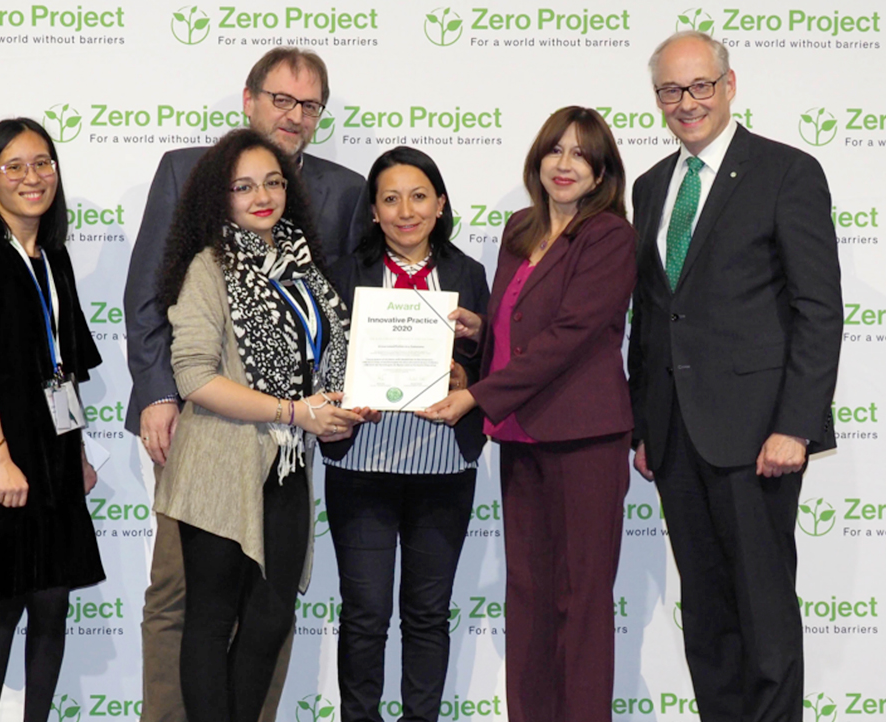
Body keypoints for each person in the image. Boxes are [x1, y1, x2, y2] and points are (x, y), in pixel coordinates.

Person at [123, 46, 368, 722]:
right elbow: (148, 295)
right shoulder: (185, 172)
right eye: (281, 99)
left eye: (308, 104)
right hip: (199, 430)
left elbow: (340, 318)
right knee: (183, 597)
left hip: (287, 449)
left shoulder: (343, 191)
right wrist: (157, 395)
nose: (293, 115)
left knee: (271, 604)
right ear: (249, 98)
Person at [628, 32, 842, 722]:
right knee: (708, 616)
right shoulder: (650, 184)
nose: (685, 103)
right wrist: (643, 425)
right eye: (670, 90)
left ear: (728, 85)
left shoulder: (786, 171)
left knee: (764, 612)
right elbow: (654, 314)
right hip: (673, 434)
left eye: (698, 86)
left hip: (758, 436)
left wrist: (794, 425)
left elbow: (817, 309)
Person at [424, 106, 636, 722]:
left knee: (583, 601)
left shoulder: (609, 237)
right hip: (521, 436)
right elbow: (523, 324)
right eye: (555, 151)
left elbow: (572, 335)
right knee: (530, 596)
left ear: (601, 174)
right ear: (537, 160)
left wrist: (476, 395)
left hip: (584, 439)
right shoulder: (521, 228)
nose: (565, 164)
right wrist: (480, 328)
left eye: (581, 155)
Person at [0, 118, 105, 722]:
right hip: (1, 451)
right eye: (15, 167)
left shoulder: (52, 254)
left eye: (43, 163)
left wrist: (79, 451)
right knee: (4, 600)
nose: (33, 178)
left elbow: (68, 365)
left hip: (55, 447)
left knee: (54, 597)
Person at [320, 146, 489, 722]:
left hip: (442, 468)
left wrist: (466, 373)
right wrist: (343, 394)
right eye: (390, 199)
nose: (405, 211)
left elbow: (492, 368)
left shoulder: (469, 274)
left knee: (427, 614)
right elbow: (318, 362)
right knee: (365, 614)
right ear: (372, 211)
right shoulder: (343, 272)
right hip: (361, 466)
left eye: (419, 196)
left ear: (440, 204)